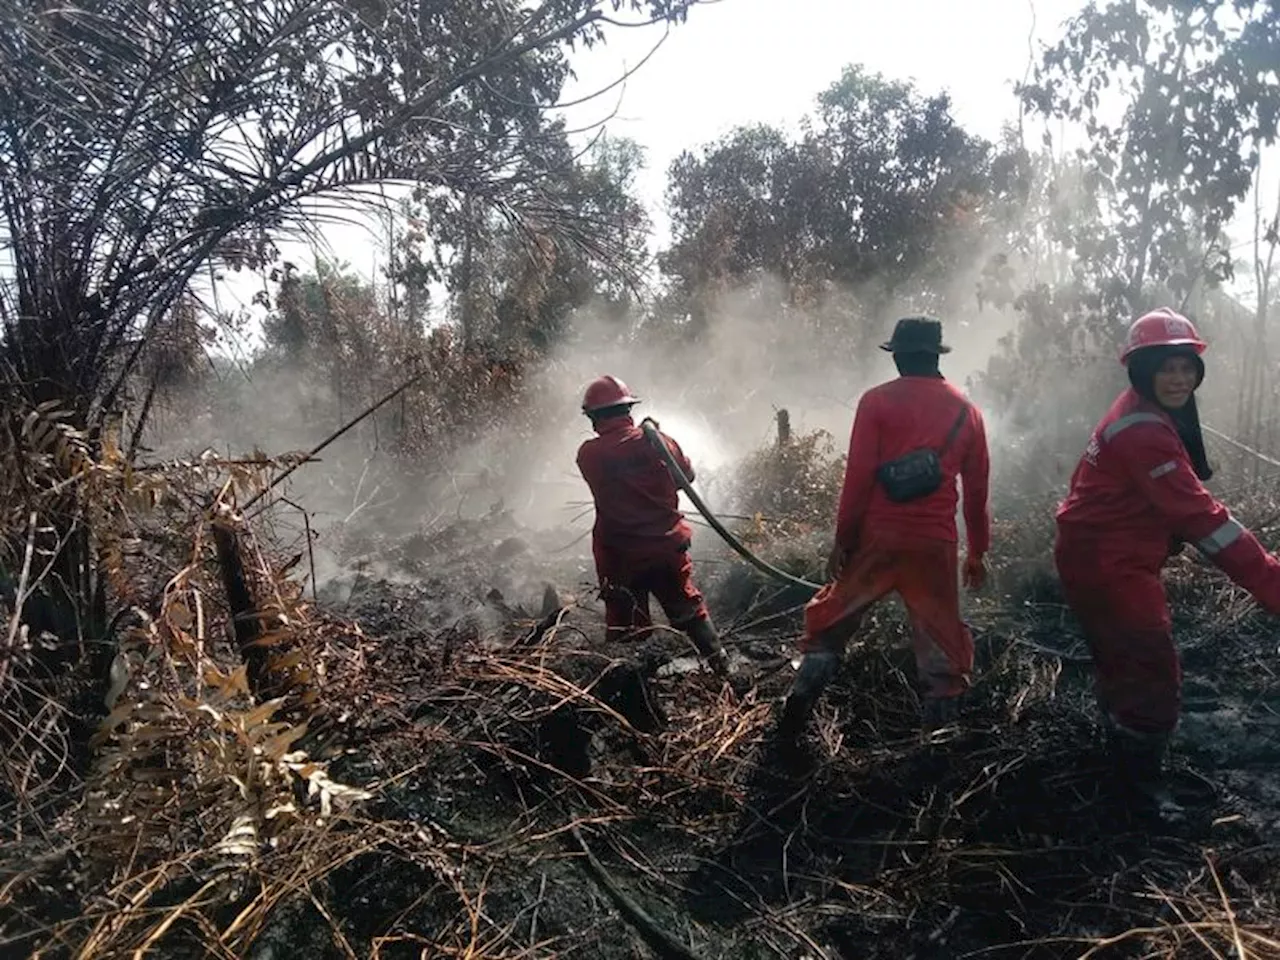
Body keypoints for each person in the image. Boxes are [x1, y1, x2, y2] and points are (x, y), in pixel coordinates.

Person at [1055, 307, 1280, 817]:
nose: (1178, 378)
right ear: (1143, 371)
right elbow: (1206, 522)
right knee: (1152, 666)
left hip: (1098, 555)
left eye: (1186, 367)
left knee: (1122, 661)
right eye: (1166, 368)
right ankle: (1141, 790)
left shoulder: (1140, 408)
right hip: (1110, 564)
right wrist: (1270, 581)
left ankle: (1123, 757)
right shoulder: (1143, 430)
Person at [778, 317, 992, 739]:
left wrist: (844, 540)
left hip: (878, 539)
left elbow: (858, 478)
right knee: (942, 650)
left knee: (829, 627)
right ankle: (937, 749)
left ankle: (791, 726)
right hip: (934, 546)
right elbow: (978, 492)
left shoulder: (876, 402)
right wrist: (978, 553)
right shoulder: (968, 412)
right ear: (936, 356)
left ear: (897, 355)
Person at [575, 375, 729, 675]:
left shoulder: (589, 454)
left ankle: (635, 692)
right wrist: (655, 435)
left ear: (594, 417)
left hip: (619, 557)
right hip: (665, 548)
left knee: (626, 627)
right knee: (688, 607)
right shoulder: (658, 443)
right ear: (627, 410)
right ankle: (721, 665)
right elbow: (688, 476)